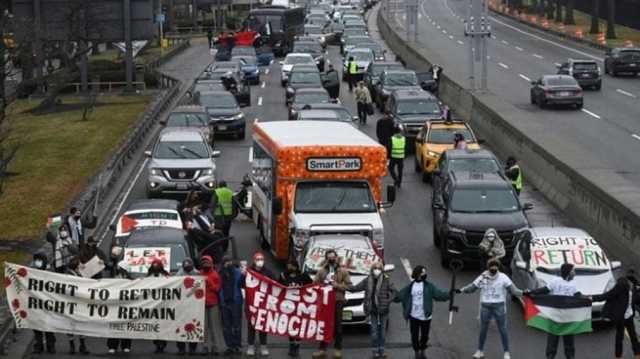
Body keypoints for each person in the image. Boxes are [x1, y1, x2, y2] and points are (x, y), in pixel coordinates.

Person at [458, 259, 524, 359]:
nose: (493, 270)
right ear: (488, 267)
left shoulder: (502, 277)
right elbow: (472, 287)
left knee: (502, 330)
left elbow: (514, 291)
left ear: (498, 267)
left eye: (495, 268)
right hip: (487, 306)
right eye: (492, 268)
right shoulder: (484, 276)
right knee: (485, 330)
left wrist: (525, 293)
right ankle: (481, 351)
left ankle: (505, 353)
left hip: (498, 306)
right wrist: (462, 290)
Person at [394, 265, 449, 359]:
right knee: (414, 336)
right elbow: (399, 296)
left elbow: (439, 295)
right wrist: (390, 292)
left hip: (426, 317)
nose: (425, 274)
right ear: (418, 274)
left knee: (425, 336)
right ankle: (416, 352)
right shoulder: (410, 287)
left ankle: (423, 350)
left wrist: (449, 294)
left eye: (425, 272)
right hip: (414, 316)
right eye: (423, 272)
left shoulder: (429, 286)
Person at [528, 263, 581, 359]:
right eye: (573, 271)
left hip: (568, 317)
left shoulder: (574, 284)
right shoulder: (555, 281)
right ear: (569, 272)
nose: (575, 273)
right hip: (555, 316)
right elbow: (545, 290)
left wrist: (589, 299)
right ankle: (550, 356)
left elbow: (578, 296)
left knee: (569, 341)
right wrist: (531, 292)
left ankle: (570, 356)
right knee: (553, 340)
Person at [348, 261, 397, 358]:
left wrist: (388, 301)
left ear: (382, 270)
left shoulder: (386, 280)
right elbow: (355, 288)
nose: (377, 270)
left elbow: (394, 291)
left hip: (383, 310)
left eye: (379, 268)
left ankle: (382, 350)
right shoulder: (367, 280)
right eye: (375, 268)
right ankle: (375, 350)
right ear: (372, 269)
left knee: (382, 332)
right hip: (372, 310)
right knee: (374, 332)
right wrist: (343, 287)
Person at [591, 272, 640, 359]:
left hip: (629, 317)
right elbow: (605, 296)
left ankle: (637, 354)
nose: (631, 285)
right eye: (630, 284)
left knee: (633, 337)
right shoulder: (619, 292)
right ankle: (618, 356)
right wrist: (591, 298)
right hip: (620, 318)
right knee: (619, 338)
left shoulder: (634, 291)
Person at [312, 250, 352, 359]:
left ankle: (337, 349)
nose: (331, 259)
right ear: (326, 258)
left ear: (336, 257)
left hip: (338, 301)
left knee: (338, 326)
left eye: (333, 257)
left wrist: (337, 285)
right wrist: (322, 285)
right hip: (325, 302)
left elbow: (349, 286)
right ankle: (322, 349)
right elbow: (314, 285)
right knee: (324, 326)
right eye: (329, 258)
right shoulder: (321, 272)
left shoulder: (343, 271)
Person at [279, 261, 313, 358]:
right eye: (287, 266)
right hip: (288, 306)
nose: (288, 268)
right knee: (290, 326)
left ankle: (297, 347)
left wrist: (302, 288)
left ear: (295, 267)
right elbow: (277, 287)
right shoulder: (283, 276)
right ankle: (291, 346)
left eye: (290, 266)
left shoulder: (303, 276)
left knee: (298, 326)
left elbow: (311, 286)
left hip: (300, 306)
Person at [246, 252, 274, 356]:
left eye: (261, 259)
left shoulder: (268, 272)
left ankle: (263, 346)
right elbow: (241, 284)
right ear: (254, 261)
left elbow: (275, 284)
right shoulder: (248, 271)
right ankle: (250, 346)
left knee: (263, 326)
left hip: (263, 304)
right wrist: (243, 275)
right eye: (258, 259)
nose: (260, 261)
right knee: (251, 326)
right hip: (251, 304)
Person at [198, 256, 224, 356]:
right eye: (204, 263)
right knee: (204, 327)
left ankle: (215, 347)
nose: (205, 265)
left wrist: (209, 282)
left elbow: (218, 289)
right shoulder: (199, 274)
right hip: (202, 304)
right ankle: (204, 347)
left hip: (213, 304)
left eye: (207, 262)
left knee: (214, 327)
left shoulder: (215, 275)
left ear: (211, 263)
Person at [31, 252, 56, 354]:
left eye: (39, 260)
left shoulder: (50, 271)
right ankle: (39, 345)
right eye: (36, 260)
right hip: (36, 303)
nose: (38, 262)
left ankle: (51, 345)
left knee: (48, 325)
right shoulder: (32, 271)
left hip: (48, 304)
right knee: (36, 325)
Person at [219, 255, 243, 356]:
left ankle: (237, 346)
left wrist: (245, 274)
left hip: (235, 303)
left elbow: (244, 284)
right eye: (225, 262)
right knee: (226, 327)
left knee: (237, 326)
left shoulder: (238, 273)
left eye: (229, 262)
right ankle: (229, 346)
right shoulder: (219, 274)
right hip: (224, 303)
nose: (227, 264)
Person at [107, 260, 132, 354]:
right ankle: (112, 346)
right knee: (114, 326)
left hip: (126, 307)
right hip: (115, 306)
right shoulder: (113, 278)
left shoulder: (130, 280)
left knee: (126, 326)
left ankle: (126, 345)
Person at [65, 258, 90, 354]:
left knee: (81, 324)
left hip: (79, 303)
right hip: (71, 304)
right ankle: (72, 346)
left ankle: (82, 345)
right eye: (80, 264)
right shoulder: (68, 276)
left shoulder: (79, 274)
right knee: (70, 325)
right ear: (76, 267)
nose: (81, 265)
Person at [147, 258, 170, 353]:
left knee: (163, 326)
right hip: (153, 306)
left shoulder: (166, 277)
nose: (156, 268)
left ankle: (163, 344)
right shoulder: (148, 277)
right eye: (154, 266)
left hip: (164, 306)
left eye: (157, 266)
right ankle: (157, 344)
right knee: (154, 326)